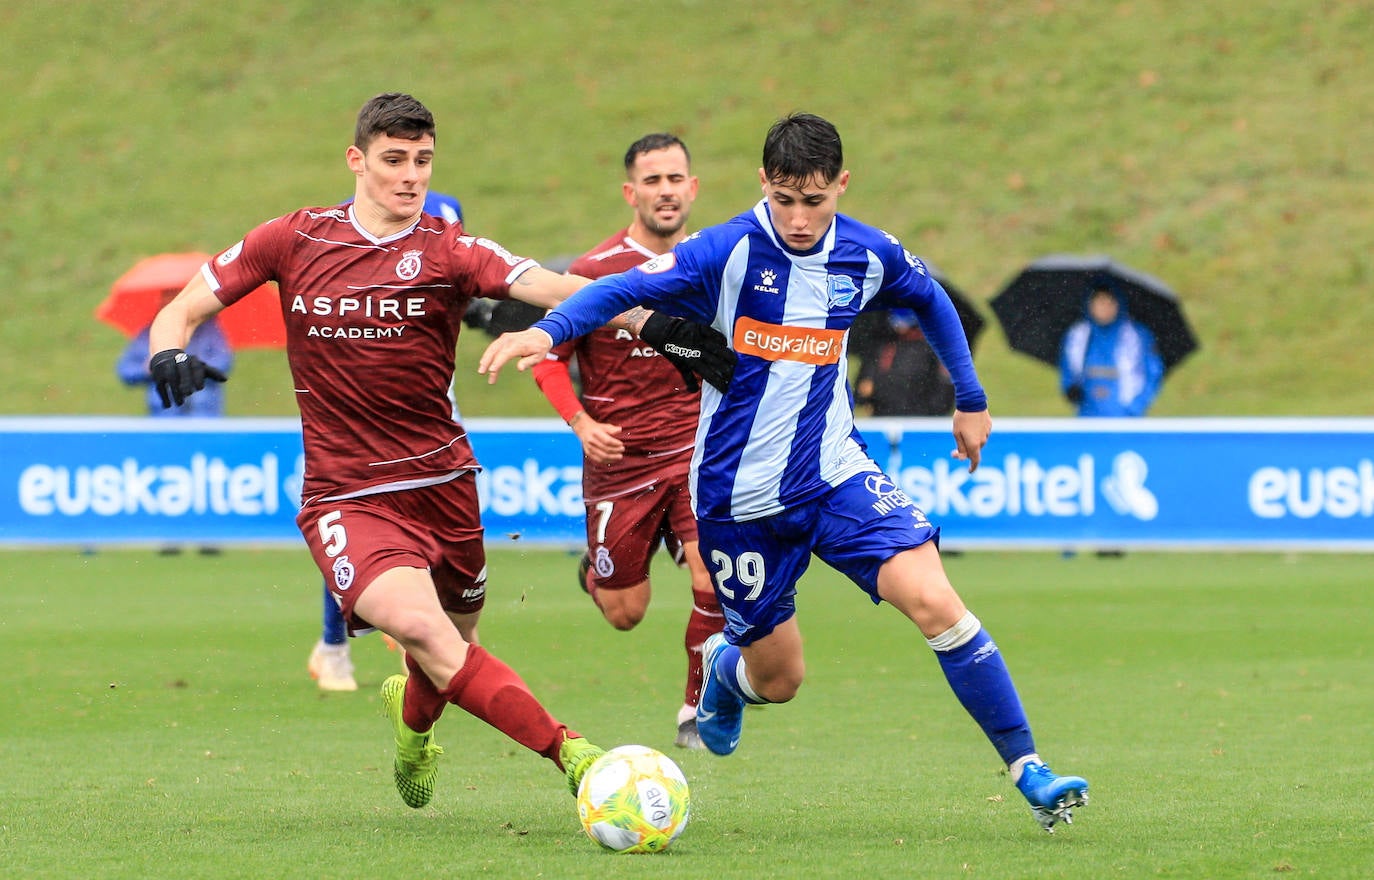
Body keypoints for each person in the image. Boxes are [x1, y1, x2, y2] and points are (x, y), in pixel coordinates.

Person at [479, 112, 1089, 832]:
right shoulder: (725, 250)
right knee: (780, 678)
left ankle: (1030, 770)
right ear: (763, 184)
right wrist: (546, 331)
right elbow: (614, 291)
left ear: (841, 186)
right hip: (740, 498)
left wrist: (972, 397)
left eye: (816, 200)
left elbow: (931, 299)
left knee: (938, 604)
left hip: (835, 475)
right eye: (786, 199)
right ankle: (725, 674)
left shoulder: (868, 252)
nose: (799, 218)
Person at [142, 92, 725, 809]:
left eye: (422, 160)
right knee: (424, 631)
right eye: (394, 160)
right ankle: (577, 759)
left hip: (444, 484)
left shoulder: (451, 251)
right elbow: (181, 306)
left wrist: (653, 320)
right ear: (357, 161)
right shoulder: (291, 239)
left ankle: (413, 729)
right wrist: (167, 350)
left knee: (449, 649)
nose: (410, 175)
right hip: (345, 493)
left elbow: (555, 285)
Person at [530, 133, 722, 750]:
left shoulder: (717, 263)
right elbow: (546, 357)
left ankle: (696, 710)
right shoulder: (591, 272)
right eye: (653, 180)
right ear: (631, 192)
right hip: (619, 464)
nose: (665, 191)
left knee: (711, 576)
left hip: (698, 451)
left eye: (676, 179)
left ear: (692, 188)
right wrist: (581, 424)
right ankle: (597, 574)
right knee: (625, 613)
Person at [307, 190, 465, 693]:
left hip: (435, 419)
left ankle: (413, 635)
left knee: (436, 540)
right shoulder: (341, 233)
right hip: (356, 423)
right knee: (353, 535)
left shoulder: (447, 218)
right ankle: (335, 647)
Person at [117, 289, 232, 417]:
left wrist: (195, 368)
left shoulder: (210, 330)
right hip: (164, 414)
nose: (172, 306)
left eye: (177, 299)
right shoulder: (147, 334)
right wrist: (146, 369)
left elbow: (223, 362)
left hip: (203, 412)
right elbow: (126, 370)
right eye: (167, 299)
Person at [1059, 284, 1164, 417]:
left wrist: (1135, 407)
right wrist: (1070, 389)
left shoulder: (1138, 335)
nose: (1105, 308)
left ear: (1119, 304)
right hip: (1087, 417)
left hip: (1125, 418)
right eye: (1100, 302)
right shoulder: (1078, 336)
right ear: (1090, 305)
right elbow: (1068, 370)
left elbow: (1153, 373)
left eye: (1110, 302)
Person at [854, 309, 955, 416]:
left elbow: (943, 392)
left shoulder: (931, 348)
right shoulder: (882, 346)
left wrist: (928, 415)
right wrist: (864, 393)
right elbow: (862, 386)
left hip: (918, 420)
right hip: (883, 419)